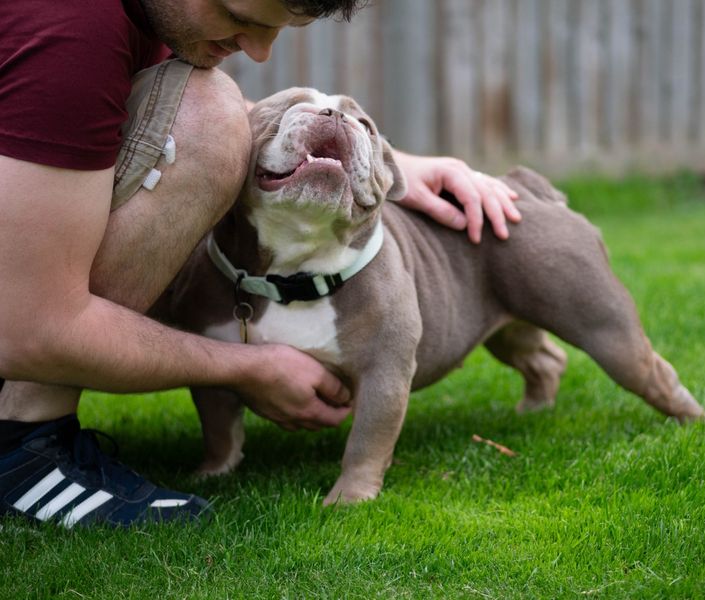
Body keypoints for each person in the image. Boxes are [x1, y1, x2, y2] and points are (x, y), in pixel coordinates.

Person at [0, 0, 520, 527]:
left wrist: (386, 159)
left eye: (278, 29)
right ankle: (21, 445)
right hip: (22, 330)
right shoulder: (70, 28)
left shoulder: (144, 18)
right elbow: (26, 331)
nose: (259, 50)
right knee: (208, 112)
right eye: (239, 16)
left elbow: (261, 117)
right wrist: (248, 366)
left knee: (214, 103)